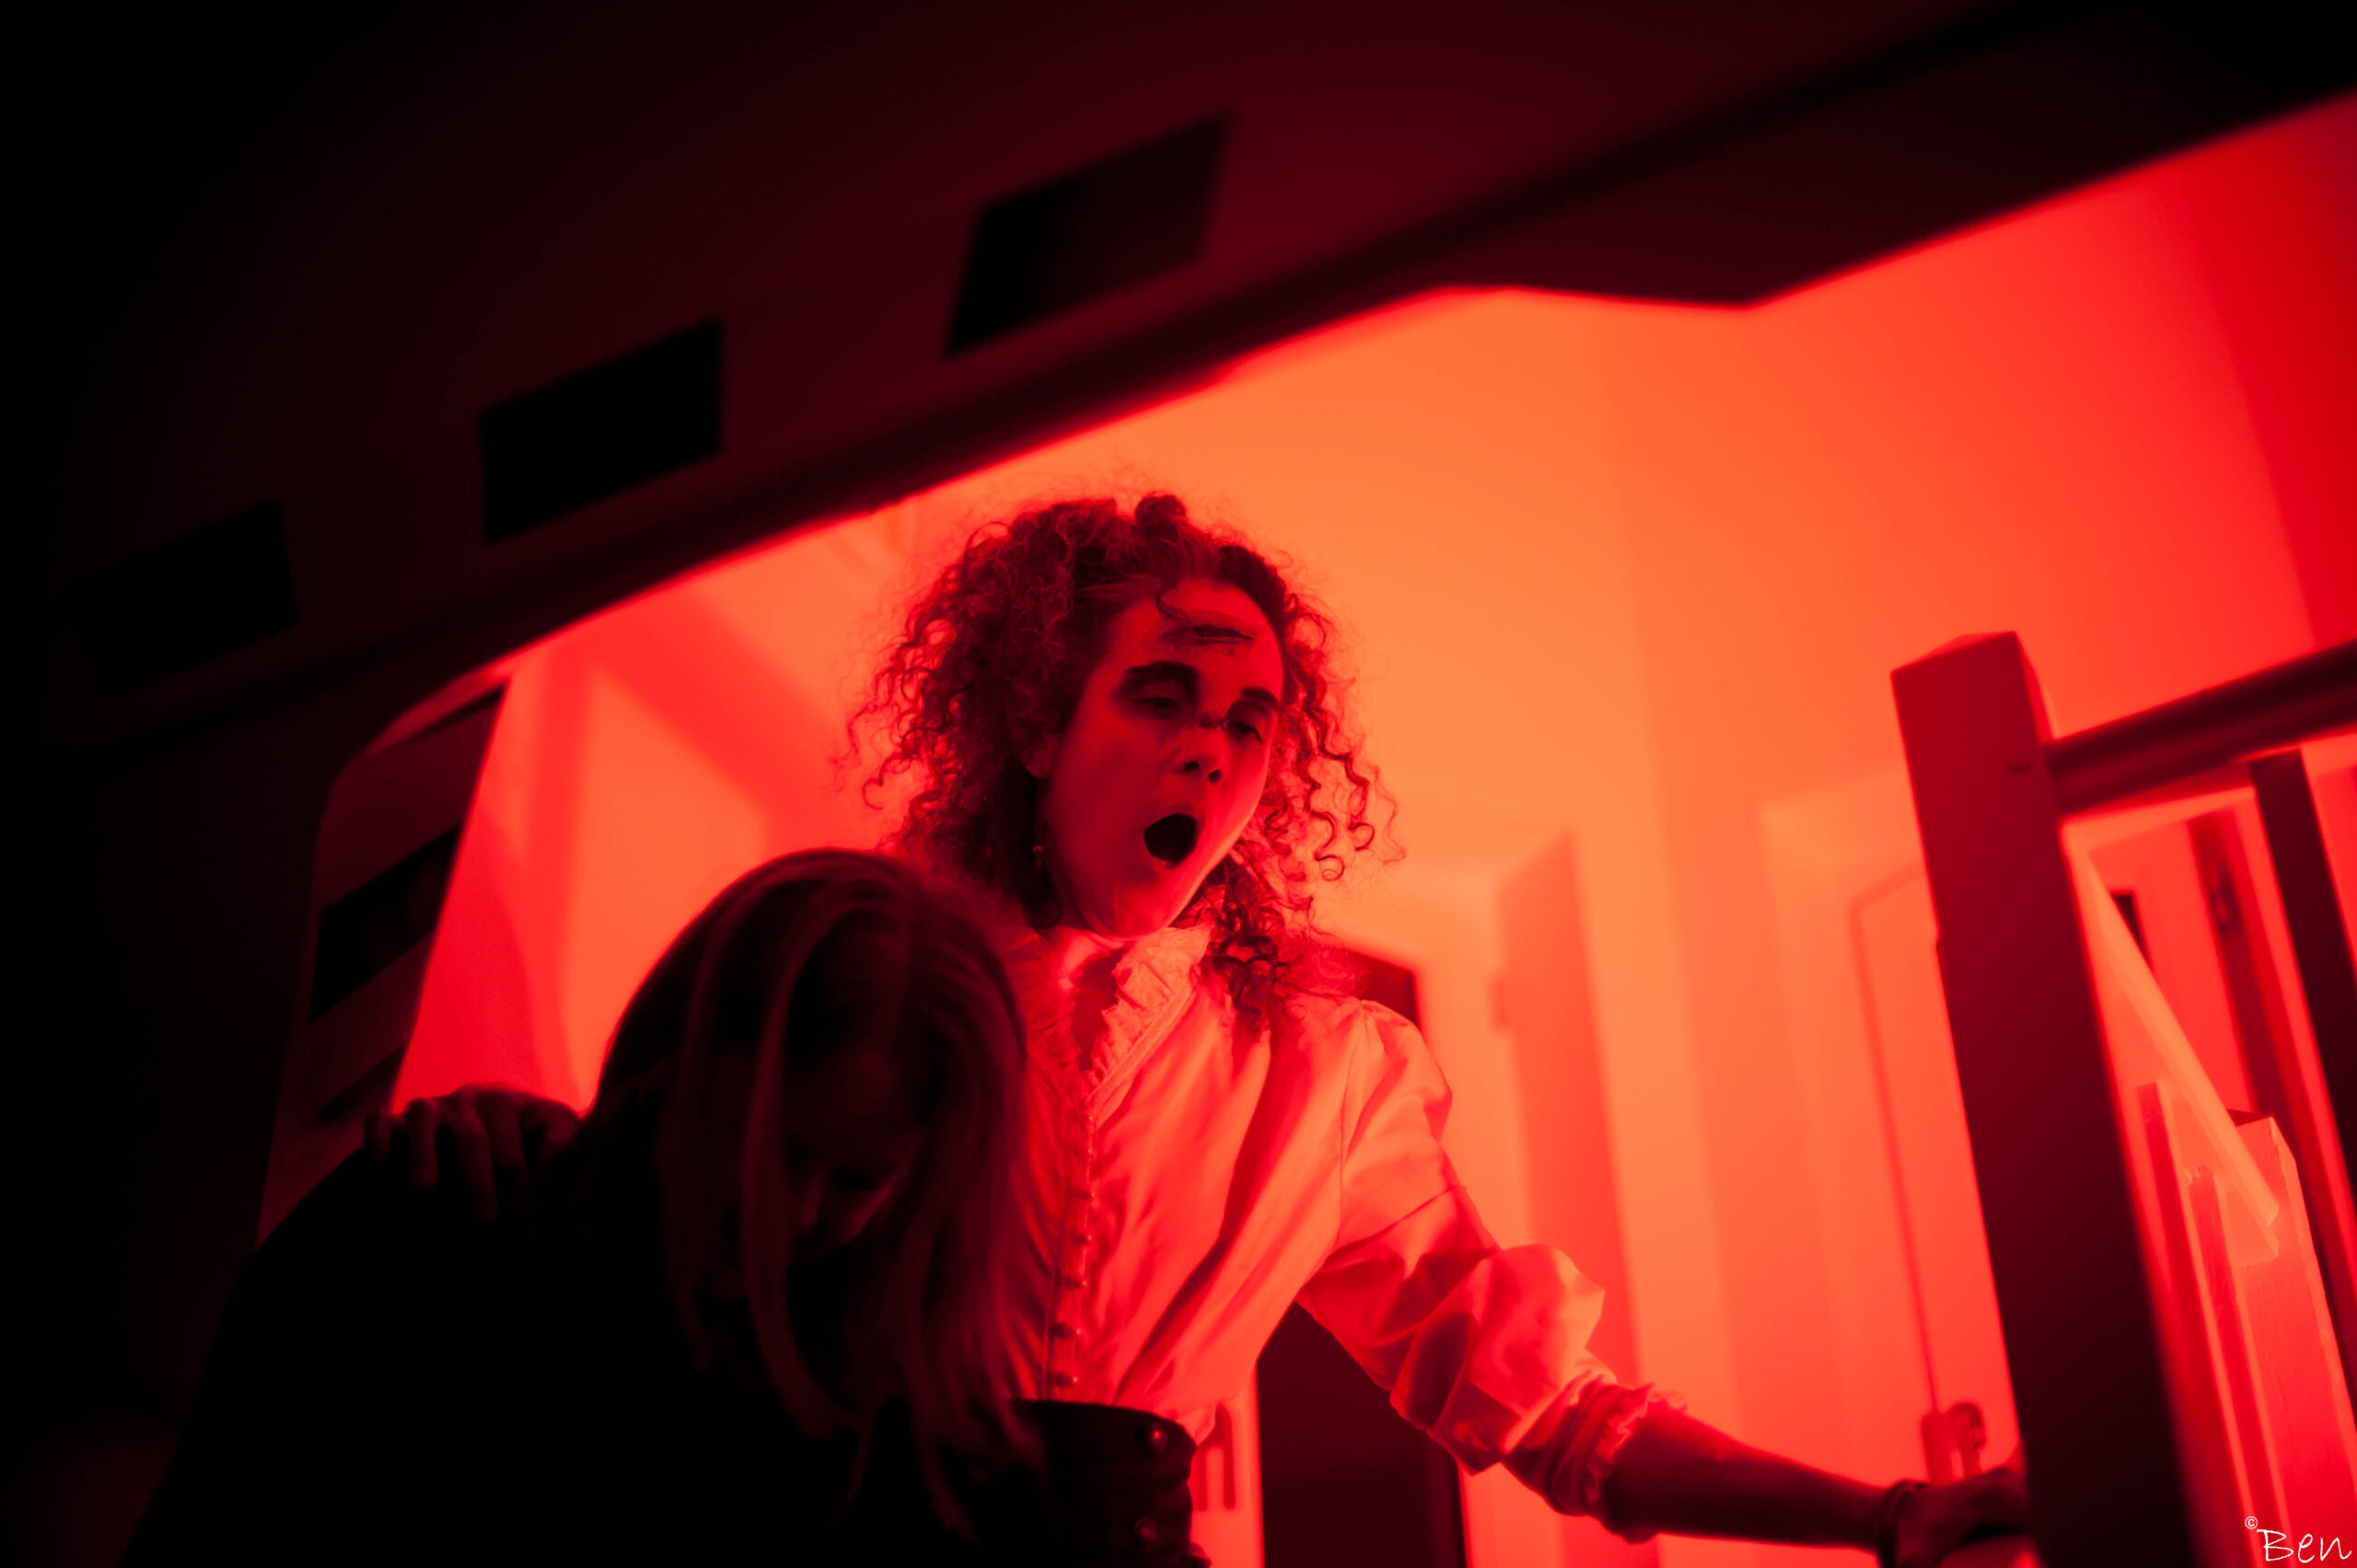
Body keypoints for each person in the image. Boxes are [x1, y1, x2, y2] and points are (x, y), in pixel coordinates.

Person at [406, 494, 2030, 1565]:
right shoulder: (878, 972)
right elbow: (681, 1224)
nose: (1213, 751)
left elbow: (1555, 1410)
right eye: (1163, 696)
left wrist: (1885, 1511)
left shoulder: (1324, 1078)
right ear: (1034, 718)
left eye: (1251, 721)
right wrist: (516, 1141)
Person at [127, 851, 1042, 1563]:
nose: (790, 1211)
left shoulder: (862, 1420)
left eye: (857, 1181)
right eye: (767, 1142)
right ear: (676, 1051)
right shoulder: (423, 1228)